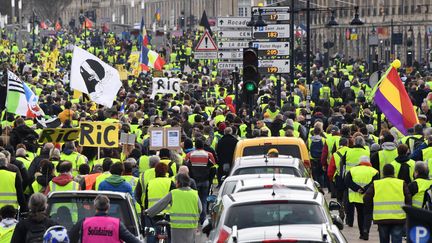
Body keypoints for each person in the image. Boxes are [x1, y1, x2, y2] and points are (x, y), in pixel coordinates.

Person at [146, 173, 202, 243]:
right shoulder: (195, 193)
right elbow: (200, 209)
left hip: (177, 226)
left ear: (178, 182)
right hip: (191, 225)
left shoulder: (174, 193)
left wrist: (149, 212)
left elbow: (161, 204)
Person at [364, 164, 412, 243]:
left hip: (382, 217)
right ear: (394, 172)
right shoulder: (401, 183)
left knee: (383, 239)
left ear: (383, 173)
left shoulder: (376, 184)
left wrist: (372, 208)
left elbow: (366, 198)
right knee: (397, 239)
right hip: (398, 217)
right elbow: (408, 200)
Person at [69, 195, 140, 243]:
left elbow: (70, 237)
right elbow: (133, 241)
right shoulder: (116, 224)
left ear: (95, 206)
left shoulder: (84, 223)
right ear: (108, 207)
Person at [344, 156, 379, 240]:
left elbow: (347, 181)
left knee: (360, 214)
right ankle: (366, 230)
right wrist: (365, 189)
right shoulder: (374, 171)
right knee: (368, 214)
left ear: (359, 162)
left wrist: (357, 188)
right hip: (369, 197)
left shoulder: (352, 170)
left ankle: (361, 233)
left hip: (357, 197)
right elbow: (375, 183)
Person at [185, 138, 216, 223]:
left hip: (194, 181)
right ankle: (203, 219)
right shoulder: (208, 154)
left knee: (194, 200)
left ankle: (195, 218)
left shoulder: (189, 155)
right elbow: (213, 165)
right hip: (205, 180)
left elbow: (185, 165)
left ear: (195, 146)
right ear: (203, 146)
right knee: (204, 200)